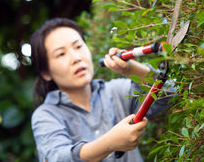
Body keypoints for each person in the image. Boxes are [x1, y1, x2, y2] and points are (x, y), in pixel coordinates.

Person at [30, 18, 175, 162]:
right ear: (45, 73)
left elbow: (171, 92)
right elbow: (59, 158)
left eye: (78, 46)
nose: (76, 57)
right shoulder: (46, 115)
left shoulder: (116, 91)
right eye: (61, 54)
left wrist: (131, 69)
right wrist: (109, 143)